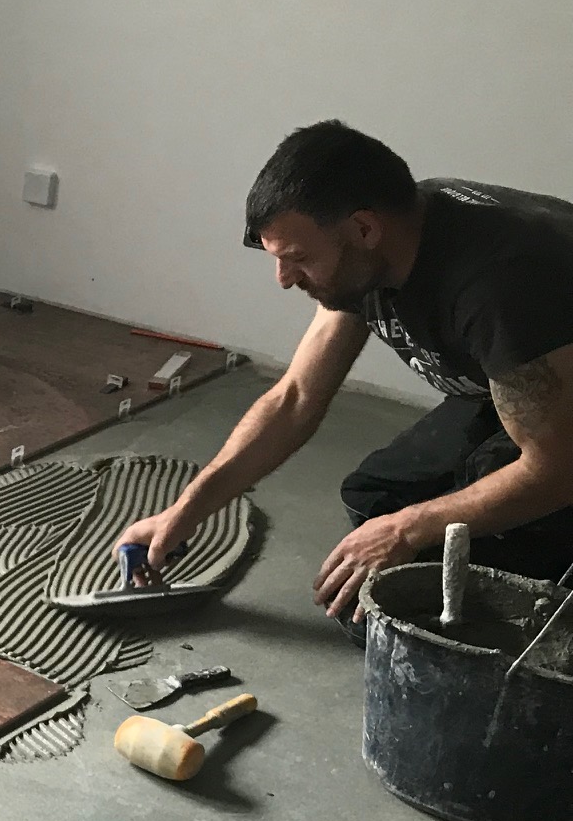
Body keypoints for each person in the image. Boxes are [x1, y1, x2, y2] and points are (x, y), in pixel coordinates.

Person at [118, 120, 573, 636]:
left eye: (298, 259)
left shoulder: (500, 288)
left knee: (427, 574)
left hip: (561, 411)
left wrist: (407, 530)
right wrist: (185, 511)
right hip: (526, 380)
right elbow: (295, 398)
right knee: (376, 496)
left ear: (363, 230)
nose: (284, 280)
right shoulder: (383, 243)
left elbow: (558, 469)